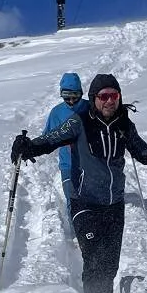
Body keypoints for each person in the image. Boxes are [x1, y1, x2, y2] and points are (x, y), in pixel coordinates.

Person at [11, 73, 147, 293]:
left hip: (114, 204)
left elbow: (143, 154)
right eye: (104, 96)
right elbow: (50, 139)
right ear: (94, 99)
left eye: (114, 96)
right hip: (84, 202)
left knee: (109, 267)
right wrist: (28, 146)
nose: (109, 101)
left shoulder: (124, 125)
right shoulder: (79, 122)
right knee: (95, 262)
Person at [45, 73, 84, 202]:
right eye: (67, 96)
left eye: (75, 96)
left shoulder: (90, 108)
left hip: (91, 165)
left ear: (81, 93)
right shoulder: (56, 113)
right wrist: (28, 147)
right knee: (73, 203)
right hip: (68, 165)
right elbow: (46, 138)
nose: (71, 101)